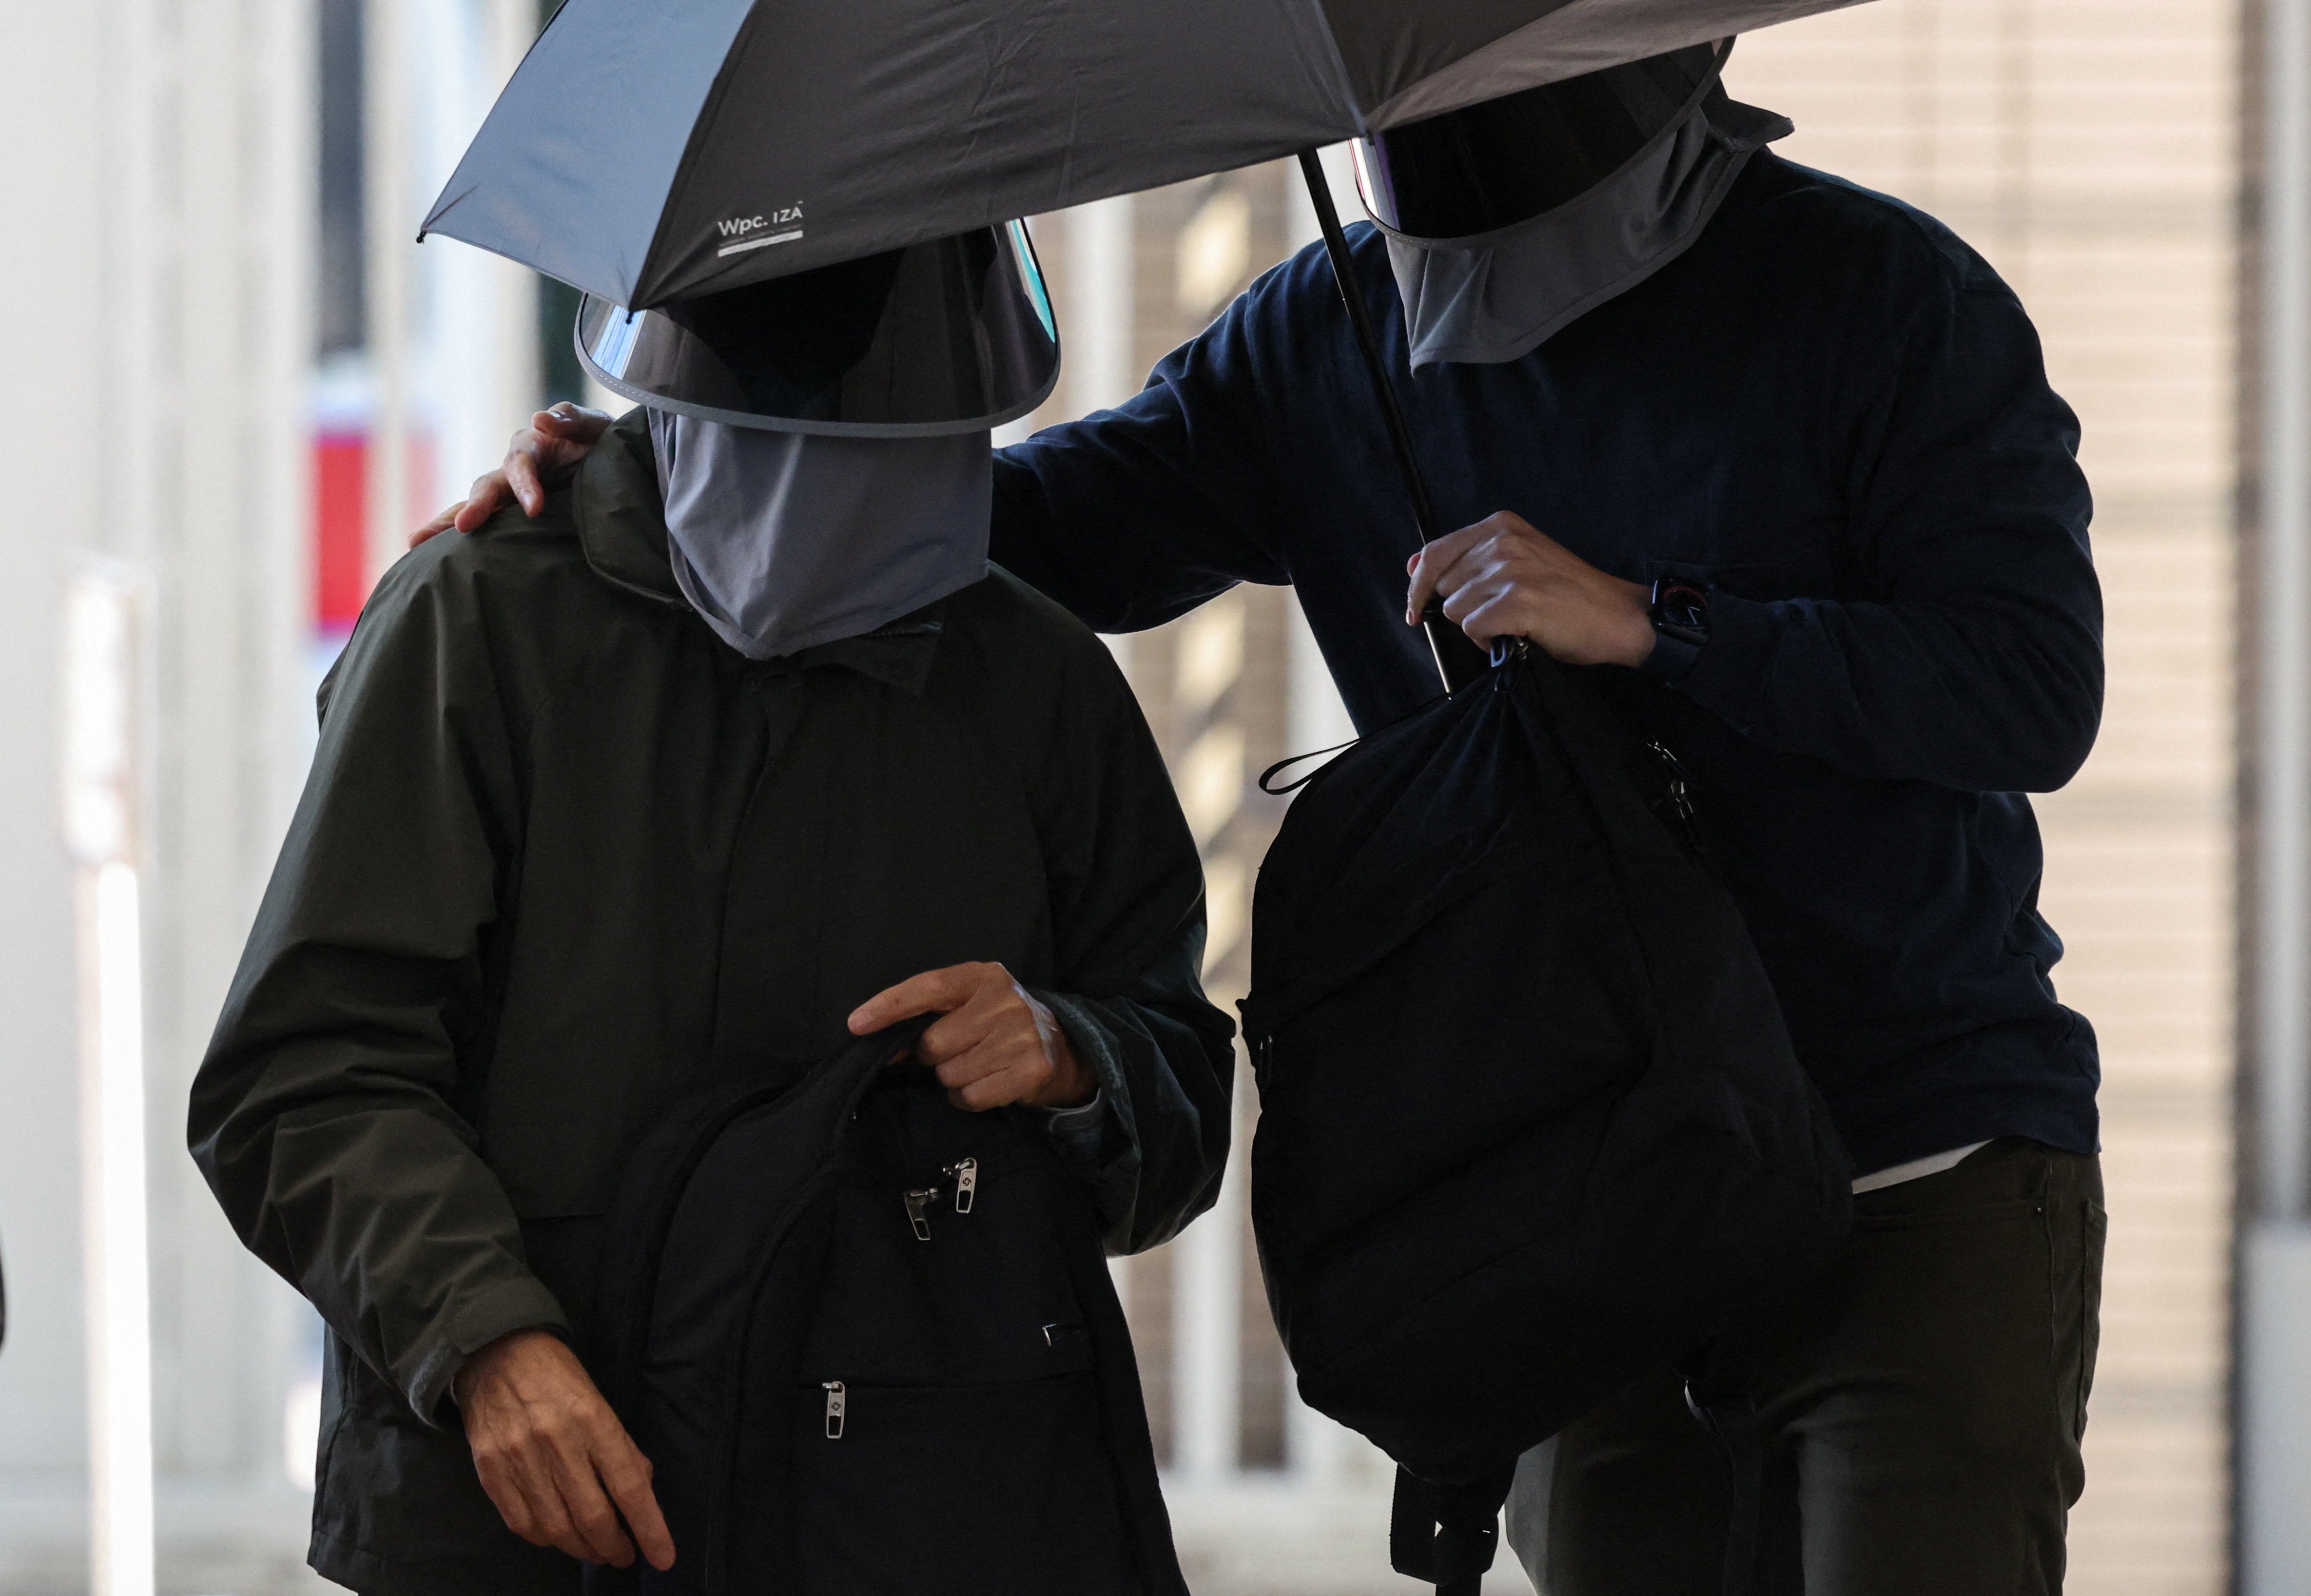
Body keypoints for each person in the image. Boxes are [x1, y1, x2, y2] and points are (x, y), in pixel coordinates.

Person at [427, 40, 2106, 1596]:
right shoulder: (1328, 335)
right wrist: (662, 475)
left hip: (1912, 1169)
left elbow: (2030, 686)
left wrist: (1656, 620)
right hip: (1591, 1195)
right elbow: (1025, 531)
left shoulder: (1884, 301)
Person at [193, 225, 1234, 1596]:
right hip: (526, 1523)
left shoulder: (1033, 680)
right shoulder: (479, 622)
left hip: (903, 1511)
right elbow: (301, 1073)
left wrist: (1073, 1055)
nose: (845, 506)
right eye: (792, 450)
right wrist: (487, 1341)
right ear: (677, 409)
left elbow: (1181, 1089)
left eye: (901, 463)